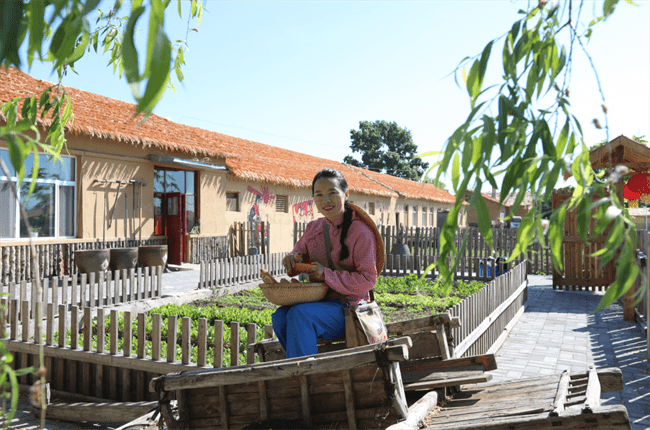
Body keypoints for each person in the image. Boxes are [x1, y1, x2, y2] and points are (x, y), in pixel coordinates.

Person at [272, 168, 378, 358]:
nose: (325, 200)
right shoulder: (313, 228)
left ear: (346, 194)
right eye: (319, 195)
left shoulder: (361, 232)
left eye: (332, 193)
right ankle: (303, 365)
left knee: (300, 314)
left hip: (352, 310)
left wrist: (326, 275)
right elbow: (299, 253)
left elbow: (368, 279)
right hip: (321, 305)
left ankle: (305, 374)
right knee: (280, 317)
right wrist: (293, 259)